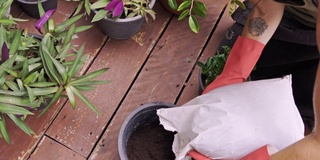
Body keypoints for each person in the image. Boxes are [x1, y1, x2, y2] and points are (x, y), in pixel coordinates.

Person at [203, 0, 320, 132]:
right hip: (286, 18)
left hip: (314, 38)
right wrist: (234, 73)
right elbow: (265, 10)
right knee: (231, 87)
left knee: (302, 110)